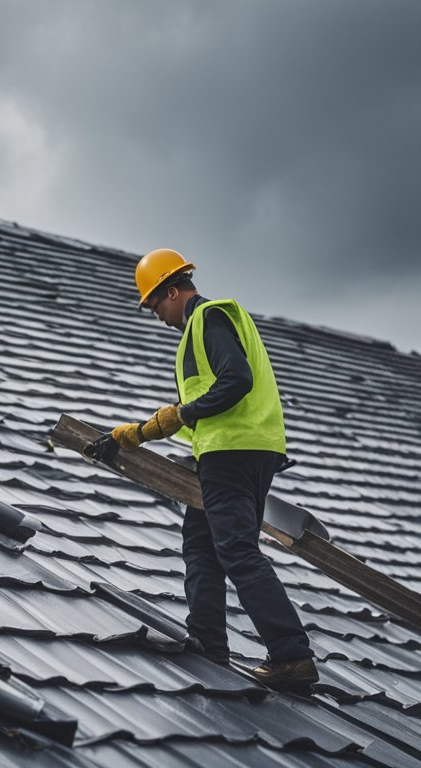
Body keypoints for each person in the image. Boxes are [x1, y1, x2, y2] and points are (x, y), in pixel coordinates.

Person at [87, 248, 317, 692]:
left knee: (236, 550)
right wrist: (137, 433)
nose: (157, 316)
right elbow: (215, 396)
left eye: (156, 306)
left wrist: (181, 415)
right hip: (228, 453)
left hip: (234, 454)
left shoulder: (209, 320)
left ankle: (293, 657)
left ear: (172, 291)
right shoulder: (200, 328)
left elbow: (237, 381)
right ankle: (208, 640)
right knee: (200, 542)